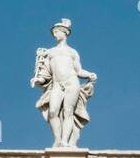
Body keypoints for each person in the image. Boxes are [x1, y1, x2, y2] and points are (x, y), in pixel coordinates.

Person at [31, 19, 97, 148]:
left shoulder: (72, 52)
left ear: (64, 33)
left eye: (57, 32)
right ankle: (57, 139)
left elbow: (78, 70)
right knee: (53, 111)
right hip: (57, 84)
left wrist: (89, 74)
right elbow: (45, 74)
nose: (55, 34)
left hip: (72, 82)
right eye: (54, 32)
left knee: (68, 112)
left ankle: (64, 141)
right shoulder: (49, 52)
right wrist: (38, 80)